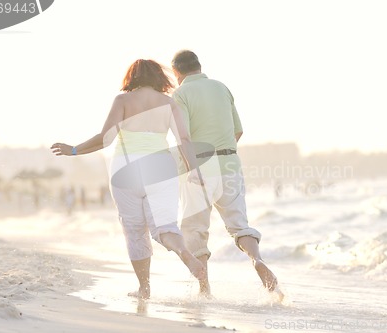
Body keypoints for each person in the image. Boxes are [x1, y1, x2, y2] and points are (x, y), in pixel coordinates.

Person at [51, 59, 205, 299]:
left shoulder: (122, 101)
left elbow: (105, 139)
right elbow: (183, 140)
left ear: (131, 77)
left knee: (135, 230)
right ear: (158, 77)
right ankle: (184, 253)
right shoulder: (168, 103)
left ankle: (144, 288)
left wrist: (73, 150)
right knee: (165, 226)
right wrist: (194, 170)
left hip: (126, 170)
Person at [171, 50, 281, 297]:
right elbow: (238, 131)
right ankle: (257, 260)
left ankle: (204, 288)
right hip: (230, 162)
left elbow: (184, 137)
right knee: (239, 225)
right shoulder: (222, 88)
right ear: (199, 66)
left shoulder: (180, 94)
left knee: (195, 230)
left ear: (176, 72)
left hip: (199, 165)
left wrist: (193, 168)